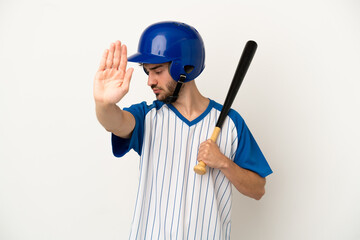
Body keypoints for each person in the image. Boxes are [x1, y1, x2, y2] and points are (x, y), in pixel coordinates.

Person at [94, 21, 272, 240]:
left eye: (157, 71)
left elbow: (258, 189)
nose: (150, 81)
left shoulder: (231, 122)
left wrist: (224, 163)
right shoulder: (148, 116)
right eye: (147, 72)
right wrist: (103, 104)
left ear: (185, 68)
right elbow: (115, 122)